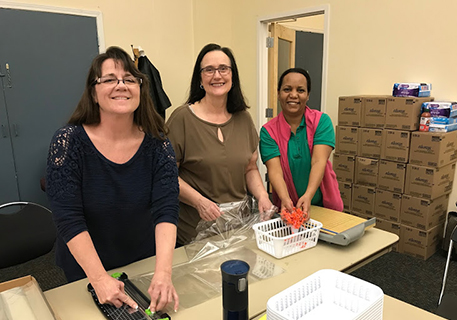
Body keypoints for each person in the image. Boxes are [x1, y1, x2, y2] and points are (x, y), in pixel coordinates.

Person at [46, 46, 179, 313]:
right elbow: (68, 217)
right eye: (109, 79)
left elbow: (166, 209)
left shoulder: (158, 144)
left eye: (130, 79)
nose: (121, 86)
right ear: (93, 93)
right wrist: (98, 279)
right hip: (86, 268)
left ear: (141, 89)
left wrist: (163, 272)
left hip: (140, 261)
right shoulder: (69, 141)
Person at [166, 43, 273, 246]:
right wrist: (199, 202)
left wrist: (262, 197)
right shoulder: (182, 119)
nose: (217, 76)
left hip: (239, 229)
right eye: (209, 70)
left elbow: (250, 168)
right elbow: (167, 175)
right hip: (194, 233)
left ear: (232, 75)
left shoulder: (243, 119)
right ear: (200, 78)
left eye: (223, 68)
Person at [259, 68, 343, 216]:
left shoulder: (321, 122)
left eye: (300, 90)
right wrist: (285, 198)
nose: (293, 95)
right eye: (287, 89)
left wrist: (308, 195)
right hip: (289, 210)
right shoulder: (268, 132)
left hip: (325, 206)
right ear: (278, 93)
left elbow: (319, 161)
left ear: (308, 95)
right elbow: (275, 170)